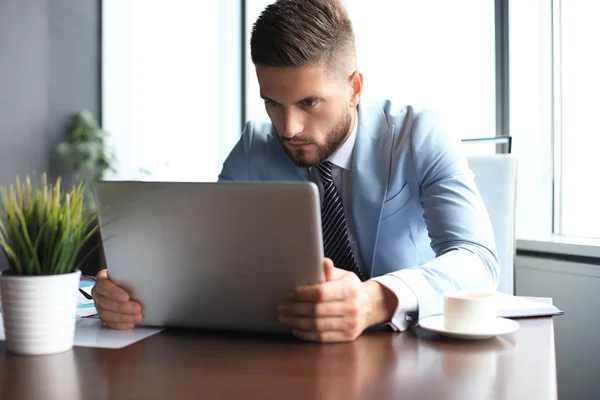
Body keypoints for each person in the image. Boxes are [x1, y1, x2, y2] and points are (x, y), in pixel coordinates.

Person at [92, 0, 499, 342]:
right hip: (290, 356)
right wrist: (130, 289)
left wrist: (374, 300)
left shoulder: (419, 134)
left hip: (409, 357)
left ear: (355, 87)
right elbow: (204, 261)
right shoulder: (254, 147)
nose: (288, 129)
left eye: (309, 103)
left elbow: (478, 261)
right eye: (272, 102)